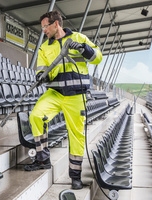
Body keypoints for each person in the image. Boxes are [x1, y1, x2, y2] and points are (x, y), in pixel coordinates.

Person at [24, 10, 102, 190]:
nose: (43, 30)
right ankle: (42, 159)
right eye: (42, 27)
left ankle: (75, 176)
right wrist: (41, 76)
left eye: (45, 26)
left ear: (56, 24)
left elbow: (98, 57)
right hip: (55, 93)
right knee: (36, 115)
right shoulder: (45, 47)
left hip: (76, 95)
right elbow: (41, 69)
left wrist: (84, 49)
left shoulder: (78, 37)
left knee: (76, 136)